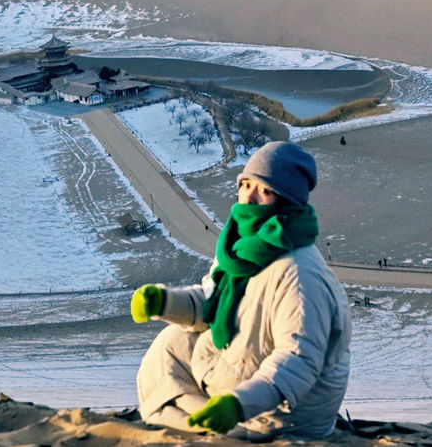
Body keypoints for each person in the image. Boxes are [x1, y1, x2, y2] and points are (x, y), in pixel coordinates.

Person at [131, 141, 351, 440]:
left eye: (265, 189)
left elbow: (298, 358)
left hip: (287, 415)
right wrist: (165, 302)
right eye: (245, 184)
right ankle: (202, 418)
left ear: (286, 201)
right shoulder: (244, 249)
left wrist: (238, 404)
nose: (249, 196)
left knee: (169, 389)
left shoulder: (298, 273)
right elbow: (212, 303)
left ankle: (212, 422)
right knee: (173, 341)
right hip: (247, 373)